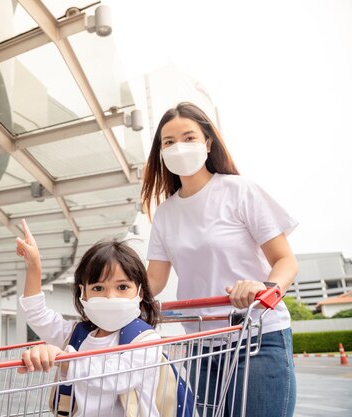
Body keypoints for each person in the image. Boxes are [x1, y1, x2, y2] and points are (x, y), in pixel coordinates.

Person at [141, 102, 298, 417]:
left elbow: (285, 261)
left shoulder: (240, 192)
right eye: (168, 142)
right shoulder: (166, 214)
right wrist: (108, 290)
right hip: (201, 345)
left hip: (256, 338)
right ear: (160, 152)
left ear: (208, 143)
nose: (178, 147)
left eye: (188, 137)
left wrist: (264, 288)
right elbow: (153, 282)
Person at [15, 219, 170, 417]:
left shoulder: (146, 340)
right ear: (84, 294)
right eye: (98, 288)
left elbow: (117, 377)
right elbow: (37, 314)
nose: (110, 297)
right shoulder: (76, 335)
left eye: (122, 287)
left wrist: (65, 359)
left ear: (140, 293)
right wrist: (34, 266)